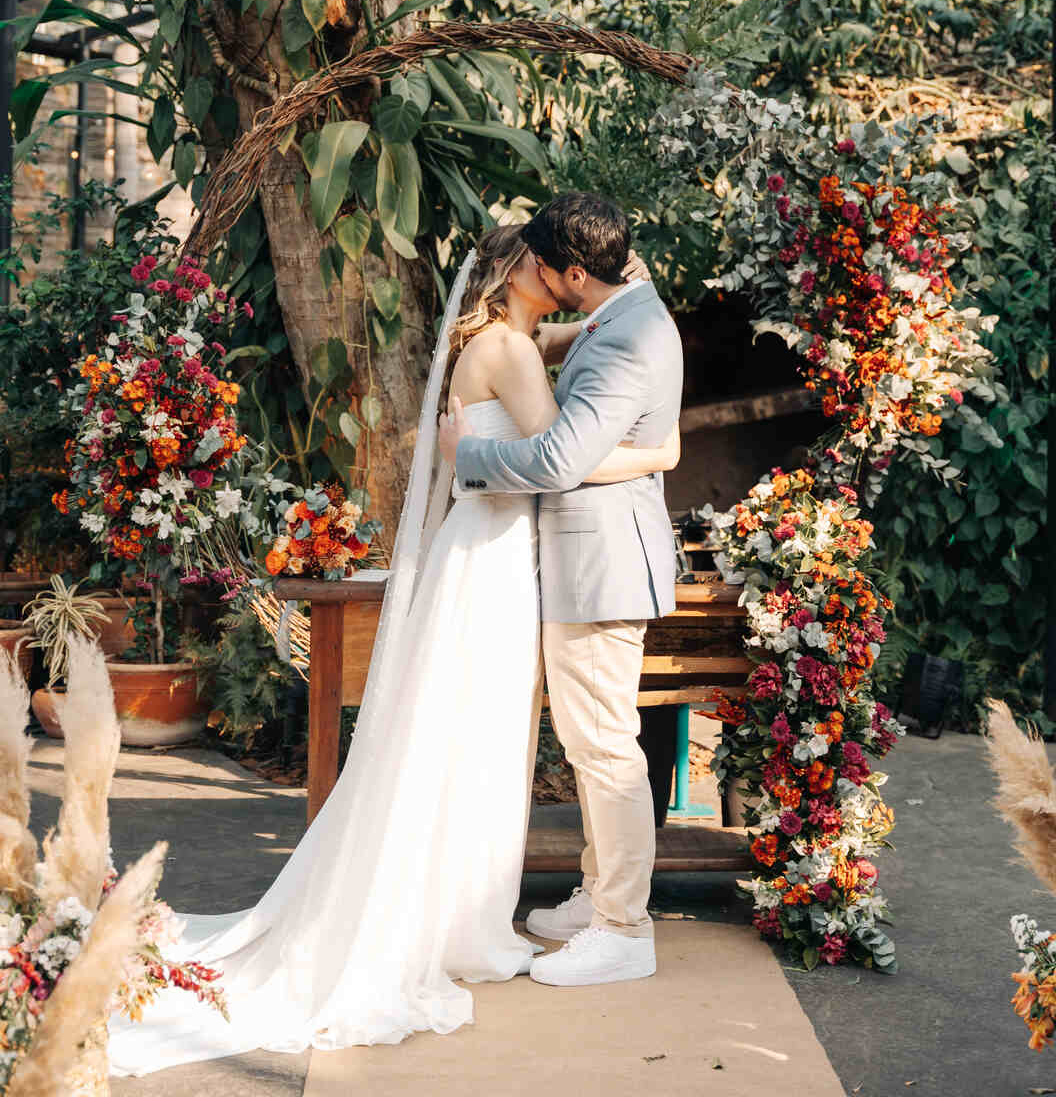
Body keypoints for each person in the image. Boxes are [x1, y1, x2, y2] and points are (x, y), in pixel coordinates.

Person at [107, 221, 677, 1076]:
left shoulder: (514, 336)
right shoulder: (515, 350)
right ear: (523, 270)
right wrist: (655, 451)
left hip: (490, 556)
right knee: (482, 742)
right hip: (496, 563)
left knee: (476, 741)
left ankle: (554, 912)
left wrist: (640, 437)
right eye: (541, 263)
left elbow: (575, 358)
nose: (560, 284)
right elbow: (559, 457)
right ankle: (484, 921)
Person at [440, 192, 685, 989]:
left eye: (549, 265)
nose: (540, 275)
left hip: (599, 564)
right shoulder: (620, 314)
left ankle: (624, 928)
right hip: (586, 559)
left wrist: (466, 460)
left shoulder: (628, 337)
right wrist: (656, 454)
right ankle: (599, 896)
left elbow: (555, 462)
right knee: (591, 743)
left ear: (576, 271)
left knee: (603, 748)